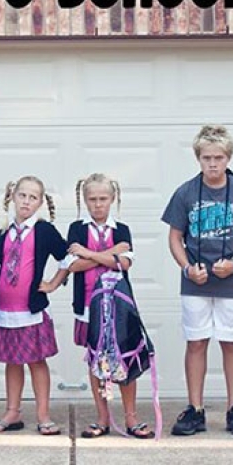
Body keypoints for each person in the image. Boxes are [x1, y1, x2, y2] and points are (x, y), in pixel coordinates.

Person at [161, 125, 233, 436]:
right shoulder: (186, 193)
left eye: (218, 157)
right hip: (196, 281)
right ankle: (195, 409)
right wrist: (186, 268)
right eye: (206, 158)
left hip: (231, 282)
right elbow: (175, 237)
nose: (213, 164)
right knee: (196, 342)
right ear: (198, 158)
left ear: (228, 157)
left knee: (232, 342)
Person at [0, 176, 68, 436]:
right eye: (22, 195)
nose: (26, 201)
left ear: (40, 203)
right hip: (6, 310)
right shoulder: (2, 234)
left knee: (36, 361)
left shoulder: (44, 231)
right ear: (13, 197)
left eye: (33, 197)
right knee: (12, 362)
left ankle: (43, 414)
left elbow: (69, 256)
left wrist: (55, 282)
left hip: (31, 310)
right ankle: (12, 412)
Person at [64, 173, 154, 439]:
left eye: (103, 199)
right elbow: (73, 265)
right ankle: (102, 417)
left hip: (118, 305)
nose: (98, 204)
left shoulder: (122, 229)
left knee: (124, 357)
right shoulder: (76, 229)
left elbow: (124, 264)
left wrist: (89, 253)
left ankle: (131, 417)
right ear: (85, 200)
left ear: (112, 199)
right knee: (95, 360)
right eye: (92, 199)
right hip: (88, 304)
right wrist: (110, 254)